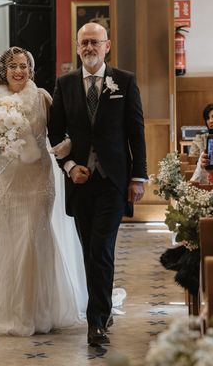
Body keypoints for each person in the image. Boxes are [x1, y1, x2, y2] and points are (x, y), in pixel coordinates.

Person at [0, 46, 87, 337]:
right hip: (7, 181)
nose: (19, 71)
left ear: (30, 70)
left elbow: (61, 132)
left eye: (24, 66)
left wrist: (65, 147)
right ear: (4, 71)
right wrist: (5, 137)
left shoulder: (43, 98)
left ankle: (39, 310)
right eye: (13, 66)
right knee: (9, 241)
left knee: (33, 238)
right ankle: (10, 311)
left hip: (39, 178)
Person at [48, 23, 148, 347]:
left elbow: (136, 132)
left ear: (107, 46)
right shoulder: (64, 84)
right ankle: (103, 310)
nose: (89, 47)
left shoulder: (125, 81)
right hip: (80, 183)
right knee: (90, 250)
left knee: (101, 249)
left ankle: (96, 323)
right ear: (78, 48)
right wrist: (69, 165)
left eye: (95, 42)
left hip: (113, 181)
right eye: (84, 43)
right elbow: (55, 133)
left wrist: (139, 177)